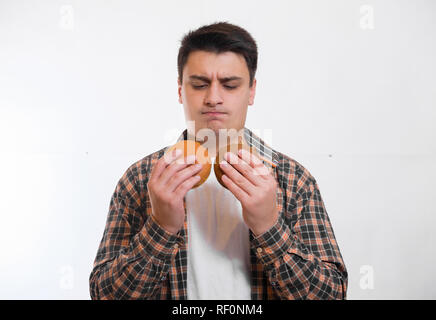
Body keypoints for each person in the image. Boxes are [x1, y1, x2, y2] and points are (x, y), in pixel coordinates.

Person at [89, 21, 348, 300]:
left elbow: (331, 295)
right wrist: (160, 227)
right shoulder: (141, 179)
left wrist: (269, 225)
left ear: (251, 91)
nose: (213, 98)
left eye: (230, 85)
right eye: (199, 84)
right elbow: (105, 296)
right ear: (180, 90)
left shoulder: (293, 179)